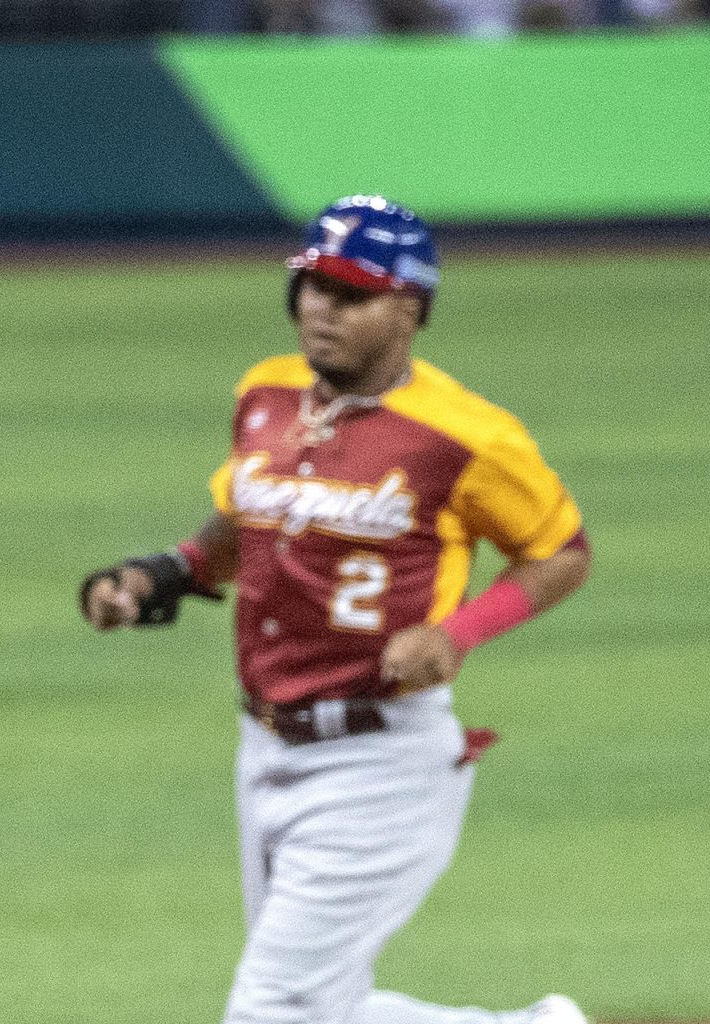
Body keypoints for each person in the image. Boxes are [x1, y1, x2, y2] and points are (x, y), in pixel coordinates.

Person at [80, 195, 592, 1024]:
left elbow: (563, 552)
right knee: (324, 1008)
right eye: (312, 287)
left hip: (380, 763)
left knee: (271, 1011)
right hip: (265, 745)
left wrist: (457, 633)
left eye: (350, 294)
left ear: (409, 308)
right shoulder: (267, 393)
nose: (321, 309)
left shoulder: (464, 436)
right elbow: (246, 524)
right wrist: (159, 576)